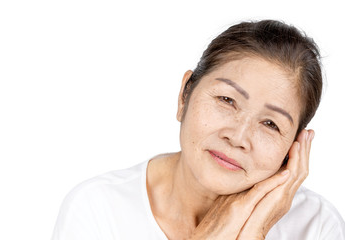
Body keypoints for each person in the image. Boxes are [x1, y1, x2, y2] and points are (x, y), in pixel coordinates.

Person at [51, 20, 345, 239]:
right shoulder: (97, 208)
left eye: (270, 124)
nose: (238, 137)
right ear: (185, 95)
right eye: (226, 100)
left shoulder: (316, 226)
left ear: (293, 147)